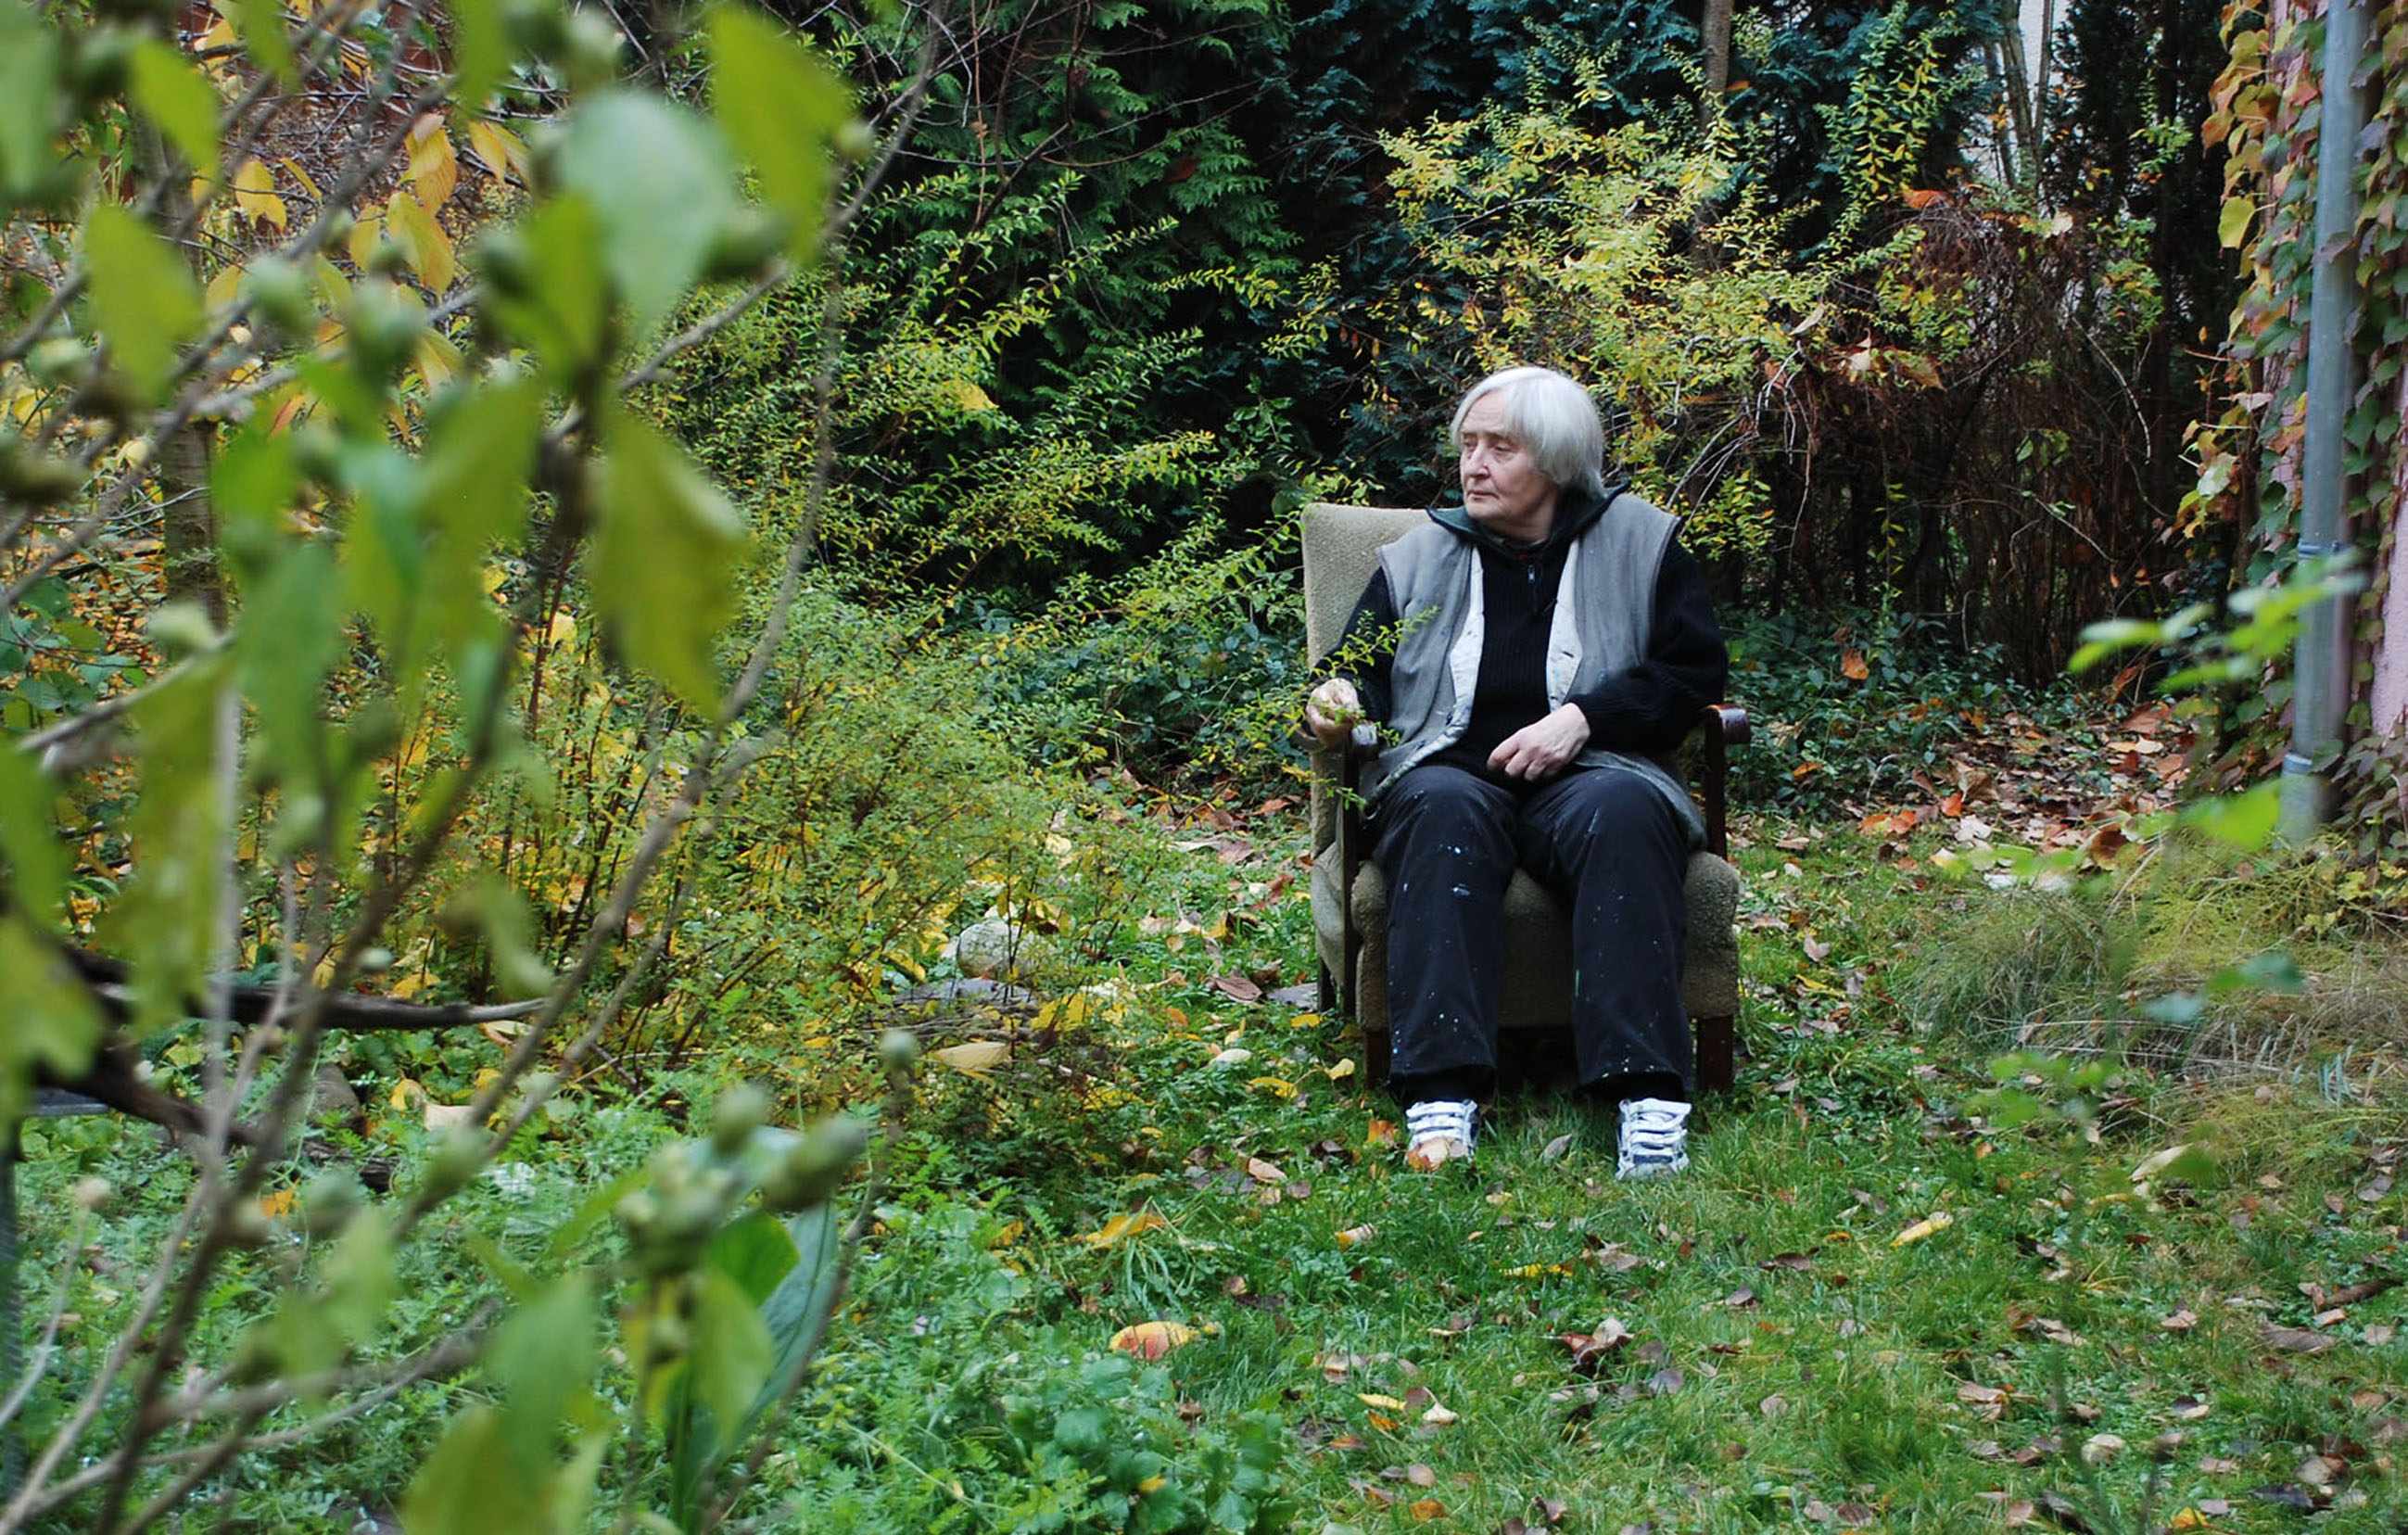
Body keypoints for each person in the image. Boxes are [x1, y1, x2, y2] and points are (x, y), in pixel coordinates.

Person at [1305, 365, 1729, 1177]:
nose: (1474, 465)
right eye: (1469, 445)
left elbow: (1693, 673)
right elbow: (1357, 670)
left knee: (1626, 812)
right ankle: (1441, 1094)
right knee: (1439, 810)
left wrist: (1584, 718)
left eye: (1500, 448)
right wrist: (1337, 698)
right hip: (1448, 770)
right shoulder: (1417, 557)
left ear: (1558, 462)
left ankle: (1647, 1099)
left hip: (1596, 766)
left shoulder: (1642, 542)